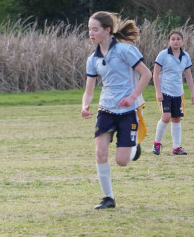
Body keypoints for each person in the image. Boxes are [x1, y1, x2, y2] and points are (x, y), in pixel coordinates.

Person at [81, 11, 152, 209]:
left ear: (108, 30)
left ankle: (134, 148)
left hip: (129, 110)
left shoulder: (125, 51)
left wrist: (132, 97)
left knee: (122, 161)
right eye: (89, 29)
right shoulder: (92, 59)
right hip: (106, 109)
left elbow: (146, 75)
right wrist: (85, 105)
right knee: (100, 152)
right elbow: (89, 89)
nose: (91, 33)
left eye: (95, 29)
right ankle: (108, 198)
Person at [152, 30, 194, 155]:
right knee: (166, 117)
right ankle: (156, 143)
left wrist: (192, 92)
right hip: (164, 91)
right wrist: (158, 92)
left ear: (182, 41)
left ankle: (176, 148)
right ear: (169, 41)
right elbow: (155, 74)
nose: (175, 41)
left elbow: (188, 76)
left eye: (178, 39)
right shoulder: (163, 55)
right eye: (173, 39)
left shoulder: (185, 56)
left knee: (176, 119)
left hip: (178, 92)